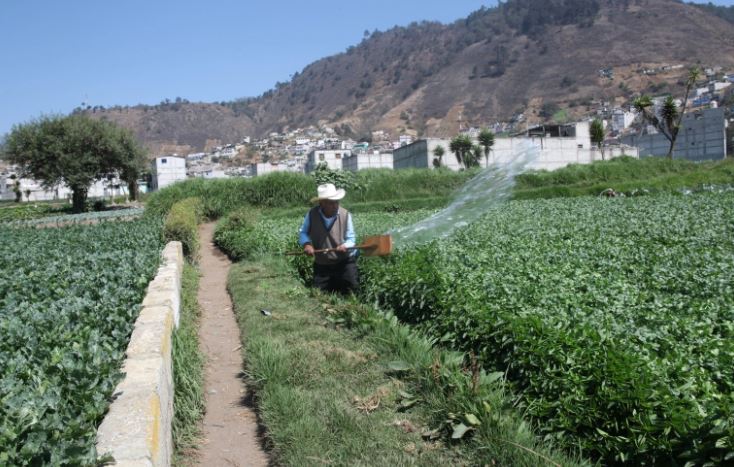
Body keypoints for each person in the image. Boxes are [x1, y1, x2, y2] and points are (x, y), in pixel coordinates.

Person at [299, 183, 359, 294]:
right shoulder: (312, 215)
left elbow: (351, 238)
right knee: (320, 294)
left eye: (337, 202)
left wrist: (345, 245)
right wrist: (307, 244)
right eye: (331, 203)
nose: (335, 205)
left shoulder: (345, 214)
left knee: (351, 289)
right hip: (322, 264)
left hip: (344, 262)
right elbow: (303, 232)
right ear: (322, 203)